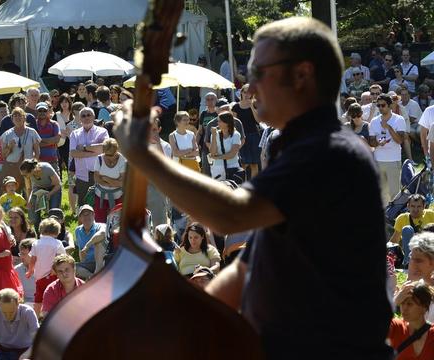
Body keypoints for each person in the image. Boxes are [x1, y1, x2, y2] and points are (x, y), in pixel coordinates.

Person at [113, 17, 393, 358]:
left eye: (259, 72)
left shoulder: (329, 153)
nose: (248, 86)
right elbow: (245, 271)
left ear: (302, 74)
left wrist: (142, 154)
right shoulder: (297, 152)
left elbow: (229, 215)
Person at [369, 93, 406, 204]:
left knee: (395, 193)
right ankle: (383, 218)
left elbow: (400, 140)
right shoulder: (374, 121)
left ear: (389, 106)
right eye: (378, 105)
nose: (380, 108)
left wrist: (388, 127)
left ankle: (394, 217)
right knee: (381, 194)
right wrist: (378, 143)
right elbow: (371, 142)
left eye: (383, 105)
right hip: (378, 160)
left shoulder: (399, 119)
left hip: (393, 160)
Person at [69, 107, 109, 206]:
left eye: (89, 115)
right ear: (80, 119)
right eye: (83, 115)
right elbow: (73, 153)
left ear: (94, 117)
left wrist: (84, 148)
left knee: (101, 204)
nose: (86, 117)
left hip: (100, 173)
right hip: (82, 175)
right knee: (83, 204)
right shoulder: (75, 134)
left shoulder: (102, 132)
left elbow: (104, 148)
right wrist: (94, 151)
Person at [26, 218, 66, 315]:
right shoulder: (57, 243)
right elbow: (60, 258)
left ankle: (36, 317)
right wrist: (54, 269)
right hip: (52, 275)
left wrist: (30, 270)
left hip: (39, 277)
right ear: (57, 232)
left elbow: (33, 259)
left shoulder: (36, 243)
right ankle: (55, 315)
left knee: (39, 298)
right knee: (55, 297)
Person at [0, 107, 41, 196]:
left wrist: (35, 164)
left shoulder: (32, 132)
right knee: (13, 194)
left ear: (24, 117)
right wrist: (9, 147)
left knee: (29, 192)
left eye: (20, 115)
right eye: (15, 116)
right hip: (12, 167)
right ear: (12, 119)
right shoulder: (7, 134)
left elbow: (37, 151)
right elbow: (3, 155)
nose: (17, 118)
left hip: (28, 168)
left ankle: (30, 209)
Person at [389, 281, 434, 359]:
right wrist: (394, 302)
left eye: (410, 304)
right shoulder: (396, 326)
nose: (404, 308)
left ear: (424, 307)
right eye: (402, 303)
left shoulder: (432, 334)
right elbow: (370, 330)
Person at [391, 194, 434, 266]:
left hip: (428, 250)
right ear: (408, 206)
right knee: (407, 229)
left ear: (424, 206)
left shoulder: (431, 215)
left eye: (419, 206)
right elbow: (395, 240)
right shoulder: (402, 218)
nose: (415, 210)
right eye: (413, 206)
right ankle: (409, 262)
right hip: (411, 252)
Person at [19, 159, 61, 227]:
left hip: (54, 188)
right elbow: (29, 188)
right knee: (33, 209)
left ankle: (54, 231)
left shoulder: (46, 169)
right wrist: (29, 201)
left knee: (54, 212)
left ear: (32, 170)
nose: (24, 176)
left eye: (25, 175)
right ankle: (38, 232)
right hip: (39, 188)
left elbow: (58, 184)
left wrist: (50, 194)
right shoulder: (27, 175)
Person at [92, 138, 126, 222]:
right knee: (100, 221)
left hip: (117, 197)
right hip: (100, 197)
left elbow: (122, 183)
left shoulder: (122, 161)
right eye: (106, 155)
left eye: (111, 155)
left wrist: (106, 178)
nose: (109, 157)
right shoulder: (99, 159)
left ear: (117, 151)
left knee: (116, 223)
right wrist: (113, 183)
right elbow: (96, 178)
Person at [232, 84, 261, 178]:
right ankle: (242, 184)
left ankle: (253, 186)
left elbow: (258, 121)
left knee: (254, 164)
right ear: (241, 93)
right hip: (241, 137)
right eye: (245, 92)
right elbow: (234, 122)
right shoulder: (236, 106)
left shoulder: (256, 105)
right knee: (243, 163)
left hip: (253, 135)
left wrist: (252, 106)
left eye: (249, 92)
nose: (246, 94)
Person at [74, 205, 107, 279]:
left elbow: (102, 233)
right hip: (88, 263)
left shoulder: (101, 226)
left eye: (88, 214)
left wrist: (87, 246)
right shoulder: (77, 230)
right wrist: (82, 262)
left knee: (98, 242)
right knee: (72, 268)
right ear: (80, 218)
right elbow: (80, 249)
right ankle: (93, 277)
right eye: (83, 215)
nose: (86, 217)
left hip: (102, 262)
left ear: (93, 215)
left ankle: (97, 273)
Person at [209, 111, 242, 182]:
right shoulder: (214, 134)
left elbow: (232, 154)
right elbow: (212, 153)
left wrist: (217, 157)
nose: (218, 123)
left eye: (220, 121)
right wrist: (214, 136)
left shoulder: (236, 135)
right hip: (218, 168)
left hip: (233, 167)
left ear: (227, 122)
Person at [35, 102, 61, 174]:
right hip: (38, 161)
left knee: (56, 183)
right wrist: (50, 142)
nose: (42, 112)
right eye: (40, 110)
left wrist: (40, 141)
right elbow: (33, 143)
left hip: (53, 161)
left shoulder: (54, 124)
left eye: (44, 110)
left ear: (48, 111)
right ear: (36, 111)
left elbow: (57, 140)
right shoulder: (33, 125)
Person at [14, 239, 36, 305]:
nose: (21, 257)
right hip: (24, 304)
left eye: (23, 254)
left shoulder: (43, 269)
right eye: (20, 254)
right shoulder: (16, 270)